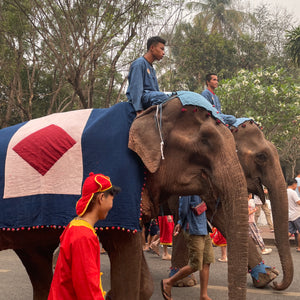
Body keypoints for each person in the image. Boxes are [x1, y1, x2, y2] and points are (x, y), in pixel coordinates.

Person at [48, 172, 121, 300]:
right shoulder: (83, 236)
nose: (112, 203)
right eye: (112, 197)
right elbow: (87, 290)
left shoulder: (75, 226)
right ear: (101, 198)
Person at [161, 195, 214, 300]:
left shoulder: (201, 188)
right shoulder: (189, 189)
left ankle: (203, 295)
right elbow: (184, 209)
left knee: (206, 261)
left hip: (204, 227)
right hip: (194, 229)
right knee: (195, 264)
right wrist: (180, 222)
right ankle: (168, 282)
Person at [126, 36, 169, 113]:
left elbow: (156, 91)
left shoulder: (151, 69)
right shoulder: (139, 64)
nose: (163, 53)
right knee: (161, 97)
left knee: (172, 97)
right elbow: (136, 89)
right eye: (161, 49)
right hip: (144, 97)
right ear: (152, 48)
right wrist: (138, 110)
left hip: (152, 97)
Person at [287, 178, 300, 252]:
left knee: (290, 231)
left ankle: (280, 243)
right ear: (294, 184)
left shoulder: (285, 191)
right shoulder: (293, 192)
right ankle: (299, 247)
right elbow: (298, 202)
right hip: (296, 214)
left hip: (290, 215)